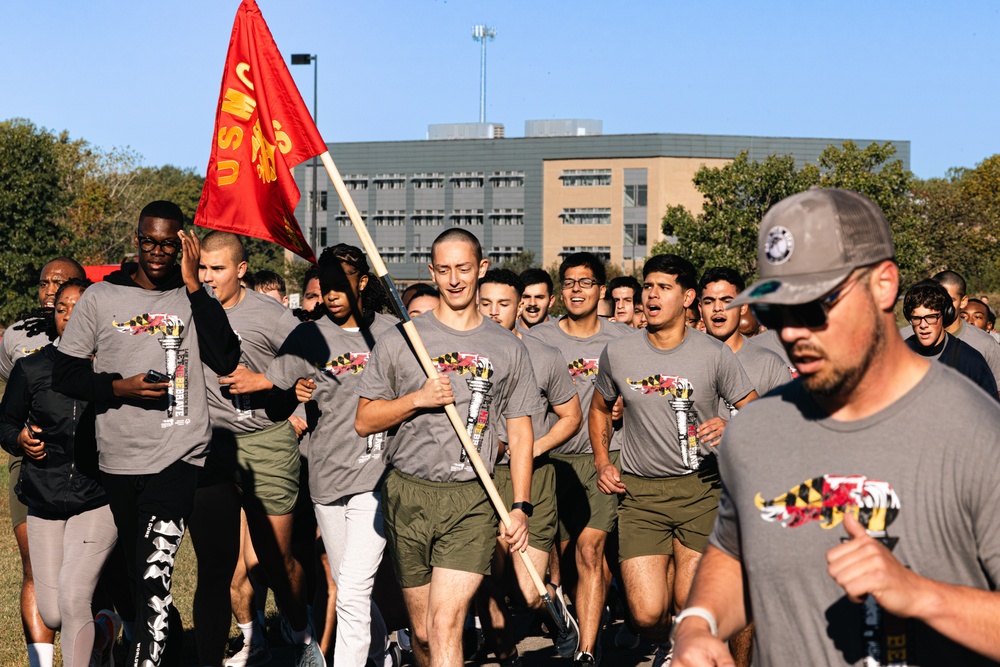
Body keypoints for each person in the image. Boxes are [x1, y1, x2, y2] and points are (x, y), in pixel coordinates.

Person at [672, 188, 1000, 666]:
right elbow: (734, 551)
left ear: (884, 285)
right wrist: (697, 625)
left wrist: (922, 596)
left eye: (813, 307)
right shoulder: (755, 430)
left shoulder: (976, 432)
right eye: (775, 312)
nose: (792, 332)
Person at [52, 200, 242, 667]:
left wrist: (196, 285)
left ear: (184, 243)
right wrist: (118, 388)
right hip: (118, 457)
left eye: (168, 244)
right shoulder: (100, 298)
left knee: (156, 574)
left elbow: (226, 358)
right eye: (149, 242)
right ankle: (158, 639)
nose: (158, 253)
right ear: (137, 241)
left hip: (180, 455)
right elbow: (65, 374)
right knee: (138, 579)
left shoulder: (194, 296)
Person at [355, 228, 538, 667]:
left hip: (472, 497)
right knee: (420, 634)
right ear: (431, 271)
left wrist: (520, 506)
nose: (455, 280)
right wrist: (417, 399)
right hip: (408, 493)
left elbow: (519, 430)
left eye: (463, 268)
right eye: (444, 269)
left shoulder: (507, 347)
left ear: (481, 268)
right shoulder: (403, 339)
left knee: (444, 625)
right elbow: (364, 420)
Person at [591, 255, 757, 666]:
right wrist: (601, 462)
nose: (651, 295)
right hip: (640, 493)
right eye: (648, 286)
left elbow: (756, 411)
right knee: (647, 613)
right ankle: (672, 640)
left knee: (690, 599)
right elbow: (598, 409)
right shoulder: (619, 352)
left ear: (687, 298)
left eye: (663, 288)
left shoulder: (714, 354)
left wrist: (729, 423)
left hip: (701, 489)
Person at [191, 231, 318, 667]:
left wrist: (266, 381)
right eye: (202, 268)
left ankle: (301, 631)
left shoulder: (270, 314)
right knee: (222, 563)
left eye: (218, 269)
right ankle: (251, 639)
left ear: (241, 270)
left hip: (266, 440)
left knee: (274, 560)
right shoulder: (188, 309)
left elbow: (315, 356)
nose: (207, 278)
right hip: (212, 446)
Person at [267, 244, 398, 667]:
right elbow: (272, 405)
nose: (332, 295)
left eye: (342, 285)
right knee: (347, 585)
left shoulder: (395, 332)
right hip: (326, 478)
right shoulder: (307, 335)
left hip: (377, 478)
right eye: (325, 286)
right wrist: (292, 394)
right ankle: (381, 652)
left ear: (362, 282)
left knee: (355, 589)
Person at [0, 278, 122, 667]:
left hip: (97, 496)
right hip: (44, 496)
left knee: (73, 599)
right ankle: (104, 631)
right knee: (52, 612)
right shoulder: (30, 368)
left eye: (80, 306)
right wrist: (19, 439)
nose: (70, 315)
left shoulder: (114, 369)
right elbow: (5, 424)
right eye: (62, 308)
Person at [526, 252, 631, 666]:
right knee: (573, 564)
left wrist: (624, 406)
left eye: (586, 282)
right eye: (568, 282)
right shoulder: (538, 338)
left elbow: (643, 395)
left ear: (601, 290)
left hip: (605, 457)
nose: (576, 289)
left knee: (591, 550)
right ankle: (587, 623)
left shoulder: (623, 340)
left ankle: (587, 652)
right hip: (553, 462)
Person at [475, 269, 583, 664]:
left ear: (520, 306)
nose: (494, 312)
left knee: (527, 589)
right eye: (485, 303)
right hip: (477, 478)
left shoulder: (544, 355)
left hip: (531, 478)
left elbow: (571, 417)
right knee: (480, 572)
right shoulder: (463, 355)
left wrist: (530, 449)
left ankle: (558, 621)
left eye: (503, 304)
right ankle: (503, 645)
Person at [0, 256, 87, 667]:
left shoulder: (100, 338)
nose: (51, 291)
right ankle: (41, 661)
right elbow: (10, 406)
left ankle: (95, 644)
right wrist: (20, 438)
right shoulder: (16, 337)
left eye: (62, 284)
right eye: (44, 283)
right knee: (36, 567)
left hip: (88, 468)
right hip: (31, 465)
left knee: (85, 576)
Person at [698, 267, 791, 416]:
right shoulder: (686, 359)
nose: (717, 308)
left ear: (743, 307)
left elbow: (785, 425)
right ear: (700, 308)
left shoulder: (770, 364)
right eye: (709, 302)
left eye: (727, 301)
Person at [899, 270, 1000, 389]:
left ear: (946, 314)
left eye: (931, 317)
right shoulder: (896, 353)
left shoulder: (971, 360)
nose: (923, 325)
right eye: (916, 318)